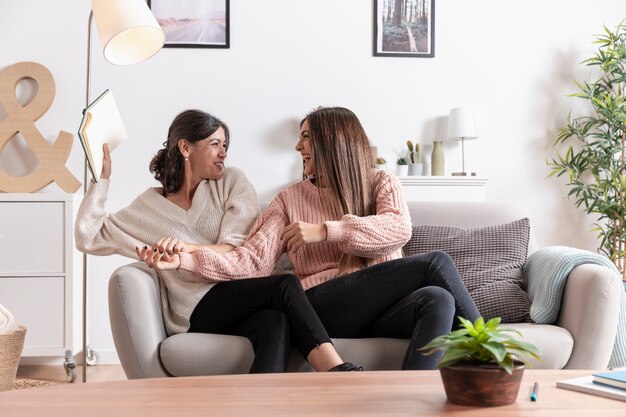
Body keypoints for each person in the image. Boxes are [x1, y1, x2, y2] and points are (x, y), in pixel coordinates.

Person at [139, 106, 481, 370]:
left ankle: (408, 400)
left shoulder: (380, 181)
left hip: (384, 307)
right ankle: (493, 358)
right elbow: (251, 261)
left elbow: (397, 229)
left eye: (306, 137)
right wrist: (185, 258)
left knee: (438, 298)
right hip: (325, 305)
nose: (297, 146)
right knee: (436, 263)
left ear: (333, 141)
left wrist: (326, 231)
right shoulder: (288, 199)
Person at [75, 109, 358, 373]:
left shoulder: (233, 182)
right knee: (284, 284)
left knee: (275, 322)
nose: (223, 153)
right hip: (196, 309)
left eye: (226, 146)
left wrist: (186, 251)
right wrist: (102, 180)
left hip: (242, 291)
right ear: (186, 148)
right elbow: (89, 237)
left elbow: (236, 248)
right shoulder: (146, 209)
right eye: (215, 144)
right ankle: (335, 371)